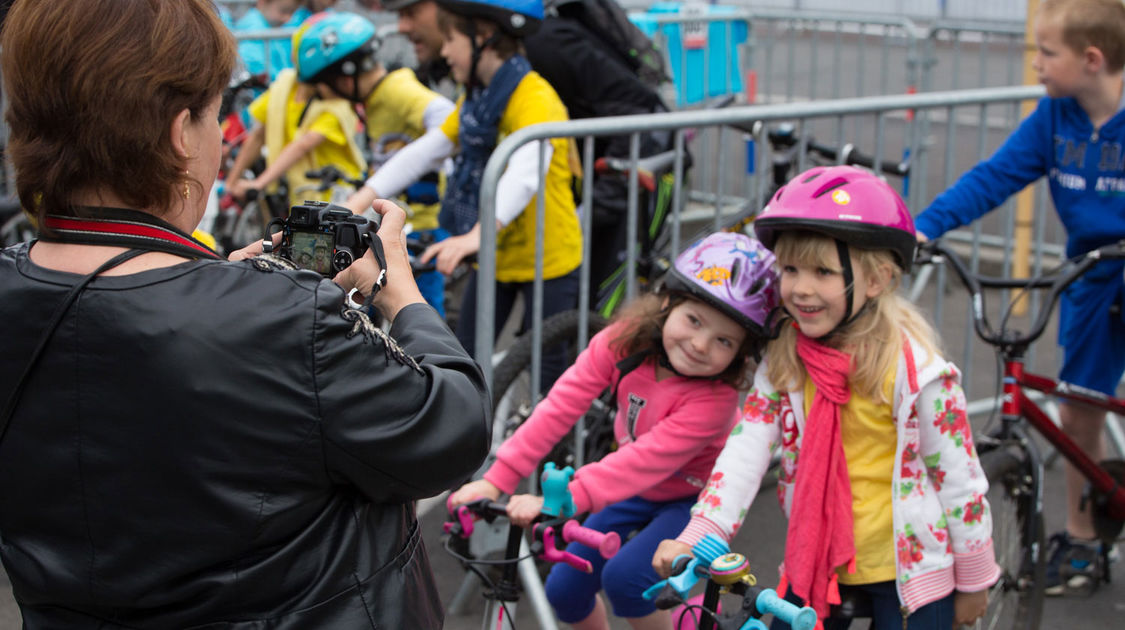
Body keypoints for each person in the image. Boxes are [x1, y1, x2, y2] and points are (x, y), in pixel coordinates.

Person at [0, 2, 490, 628]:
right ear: (181, 134)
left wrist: (229, 287)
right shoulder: (280, 320)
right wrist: (403, 298)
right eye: (215, 118)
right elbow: (451, 432)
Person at [654, 166, 1001, 629]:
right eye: (790, 269)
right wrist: (700, 536)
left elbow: (960, 481)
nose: (800, 288)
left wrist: (975, 580)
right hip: (814, 562)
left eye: (822, 271)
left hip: (909, 572)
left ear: (876, 280)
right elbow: (745, 452)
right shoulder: (786, 359)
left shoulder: (917, 373)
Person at [450, 232, 779, 630]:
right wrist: (496, 481)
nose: (699, 344)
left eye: (723, 340)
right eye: (693, 320)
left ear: (741, 354)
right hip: (636, 491)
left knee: (628, 581)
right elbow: (560, 406)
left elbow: (641, 461)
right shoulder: (621, 342)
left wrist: (562, 501)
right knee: (565, 590)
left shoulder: (715, 400)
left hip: (690, 499)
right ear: (667, 301)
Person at [911, 0, 1125, 596]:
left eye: (1046, 53)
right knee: (1080, 405)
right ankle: (1083, 540)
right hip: (1091, 270)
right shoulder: (1055, 117)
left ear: (1091, 59)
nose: (1036, 64)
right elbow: (995, 176)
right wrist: (921, 229)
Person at [352, 0, 583, 369]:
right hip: (496, 256)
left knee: (548, 368)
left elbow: (525, 173)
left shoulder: (535, 97)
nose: (444, 52)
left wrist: (478, 234)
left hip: (547, 258)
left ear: (483, 38)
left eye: (451, 40)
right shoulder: (478, 100)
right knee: (468, 357)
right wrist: (361, 197)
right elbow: (427, 150)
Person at [298, 11, 456, 315]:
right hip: (398, 224)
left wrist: (436, 164)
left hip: (423, 226)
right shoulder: (373, 100)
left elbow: (448, 118)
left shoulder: (396, 89)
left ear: (345, 79)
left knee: (420, 313)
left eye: (325, 88)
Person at [224, 13, 367, 208]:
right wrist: (231, 184)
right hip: (301, 197)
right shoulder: (284, 87)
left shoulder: (338, 103)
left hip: (341, 198)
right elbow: (258, 134)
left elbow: (301, 146)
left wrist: (260, 183)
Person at [233, 0, 303, 81]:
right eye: (283, 11)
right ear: (263, 1)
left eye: (292, 12)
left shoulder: (268, 26)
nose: (288, 19)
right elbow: (255, 67)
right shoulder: (254, 28)